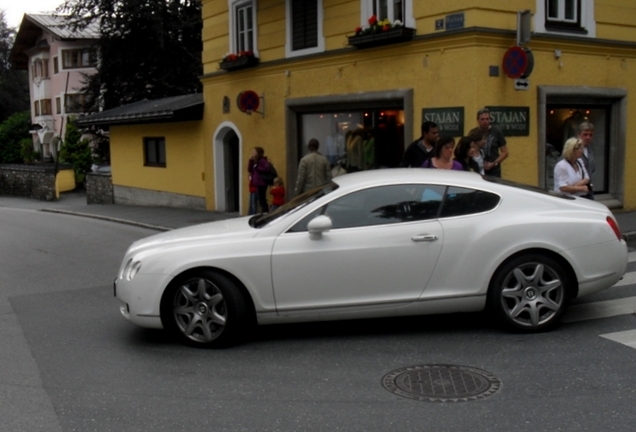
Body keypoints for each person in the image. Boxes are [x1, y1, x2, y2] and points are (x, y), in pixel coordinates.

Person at [470, 108, 508, 177]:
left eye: (487, 119)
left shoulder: (496, 132)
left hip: (494, 170)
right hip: (477, 169)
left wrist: (494, 163)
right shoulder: (473, 133)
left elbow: (505, 152)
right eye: (482, 119)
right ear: (478, 120)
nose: (485, 121)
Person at [248, 146, 270, 213]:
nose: (253, 153)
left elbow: (266, 169)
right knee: (260, 200)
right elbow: (250, 169)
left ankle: (265, 212)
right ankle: (264, 212)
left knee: (262, 199)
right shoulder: (255, 161)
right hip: (257, 182)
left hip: (262, 182)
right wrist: (251, 161)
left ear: (258, 153)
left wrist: (257, 167)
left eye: (254, 152)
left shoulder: (262, 160)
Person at [578, 121, 596, 198]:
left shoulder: (590, 149)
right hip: (577, 191)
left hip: (589, 190)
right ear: (579, 135)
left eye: (590, 135)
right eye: (585, 134)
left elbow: (593, 168)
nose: (588, 137)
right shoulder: (572, 149)